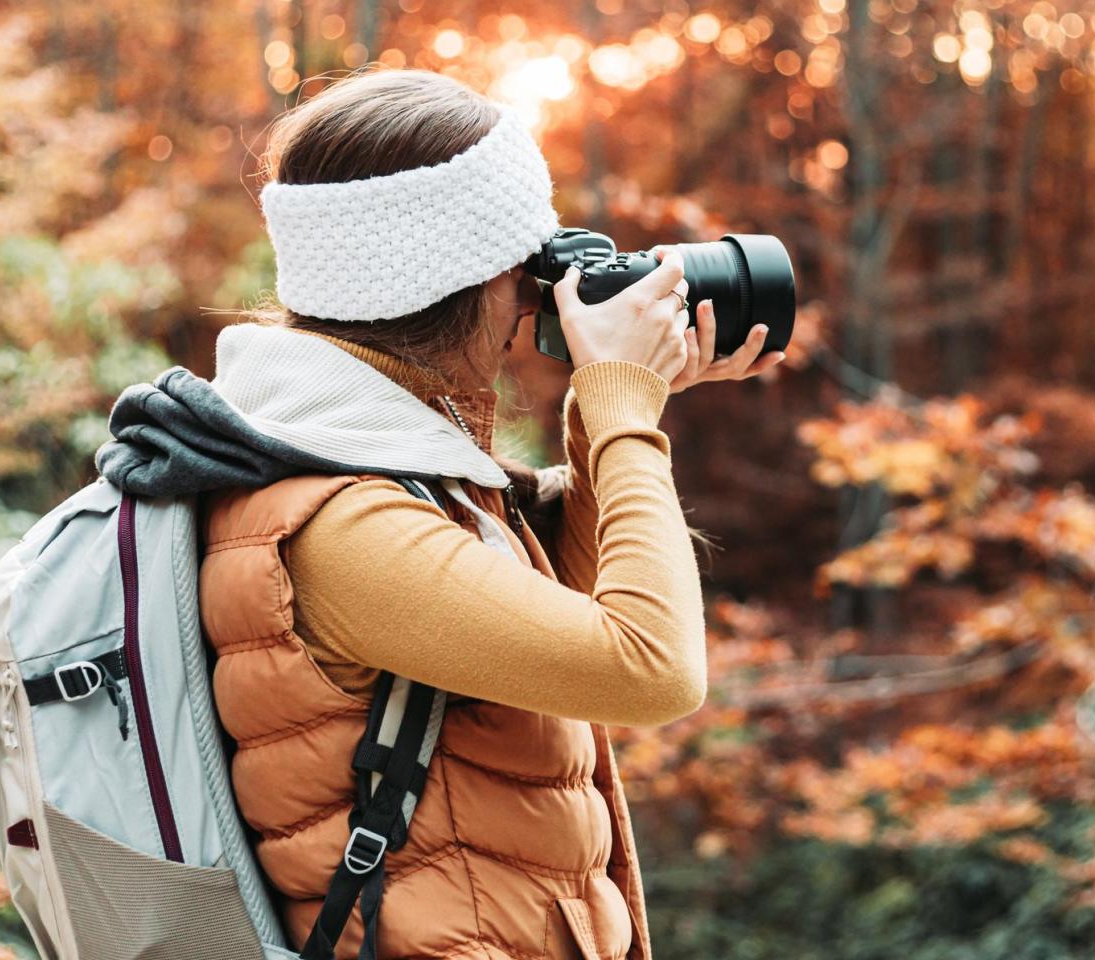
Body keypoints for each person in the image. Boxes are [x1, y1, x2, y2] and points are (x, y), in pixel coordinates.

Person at [105, 67, 782, 960]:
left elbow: (561, 615)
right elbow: (650, 669)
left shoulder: (363, 465)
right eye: (531, 257)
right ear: (477, 277)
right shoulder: (340, 523)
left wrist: (603, 411)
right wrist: (622, 397)